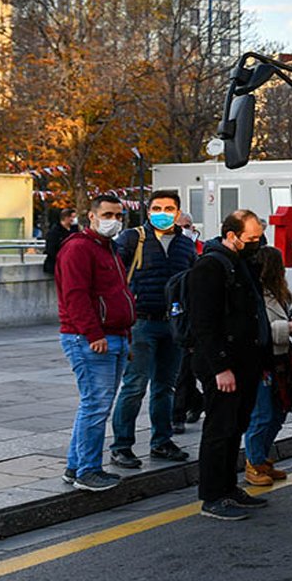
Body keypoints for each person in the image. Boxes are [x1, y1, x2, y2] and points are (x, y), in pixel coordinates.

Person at [188, 210, 271, 520]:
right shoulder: (210, 266)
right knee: (219, 429)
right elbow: (204, 323)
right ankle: (212, 496)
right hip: (222, 365)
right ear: (232, 235)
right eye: (252, 238)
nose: (258, 243)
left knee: (236, 426)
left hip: (246, 361)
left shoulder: (242, 263)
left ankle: (229, 487)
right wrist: (220, 366)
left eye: (259, 237)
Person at [108, 191, 198, 469]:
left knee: (165, 387)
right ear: (147, 212)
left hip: (172, 324)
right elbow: (112, 276)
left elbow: (191, 284)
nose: (162, 212)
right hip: (141, 323)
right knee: (134, 386)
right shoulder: (132, 239)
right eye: (157, 208)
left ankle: (162, 441)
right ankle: (121, 446)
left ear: (177, 212)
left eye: (169, 208)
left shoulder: (185, 245)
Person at [55, 194, 135, 492]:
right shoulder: (79, 248)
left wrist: (125, 337)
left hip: (114, 336)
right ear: (91, 216)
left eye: (118, 215)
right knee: (96, 405)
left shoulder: (108, 248)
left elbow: (119, 293)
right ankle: (87, 470)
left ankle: (76, 466)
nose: (113, 220)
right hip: (89, 338)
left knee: (96, 405)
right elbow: (75, 297)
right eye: (108, 214)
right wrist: (94, 335)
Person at [243, 247, 292, 486]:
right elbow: (253, 331)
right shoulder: (253, 295)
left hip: (282, 359)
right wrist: (287, 328)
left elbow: (286, 325)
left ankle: (261, 458)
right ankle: (253, 462)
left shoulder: (280, 293)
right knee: (261, 414)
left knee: (279, 413)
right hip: (262, 361)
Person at [172, 211, 204, 434]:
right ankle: (195, 402)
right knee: (176, 372)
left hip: (189, 316)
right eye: (182, 225)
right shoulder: (170, 249)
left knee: (184, 370)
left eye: (189, 225)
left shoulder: (198, 248)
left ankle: (177, 415)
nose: (187, 229)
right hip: (169, 313)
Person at [42, 207, 79, 274]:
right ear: (66, 218)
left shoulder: (74, 230)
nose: (74, 220)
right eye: (72, 217)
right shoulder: (54, 232)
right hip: (57, 265)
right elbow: (51, 249)